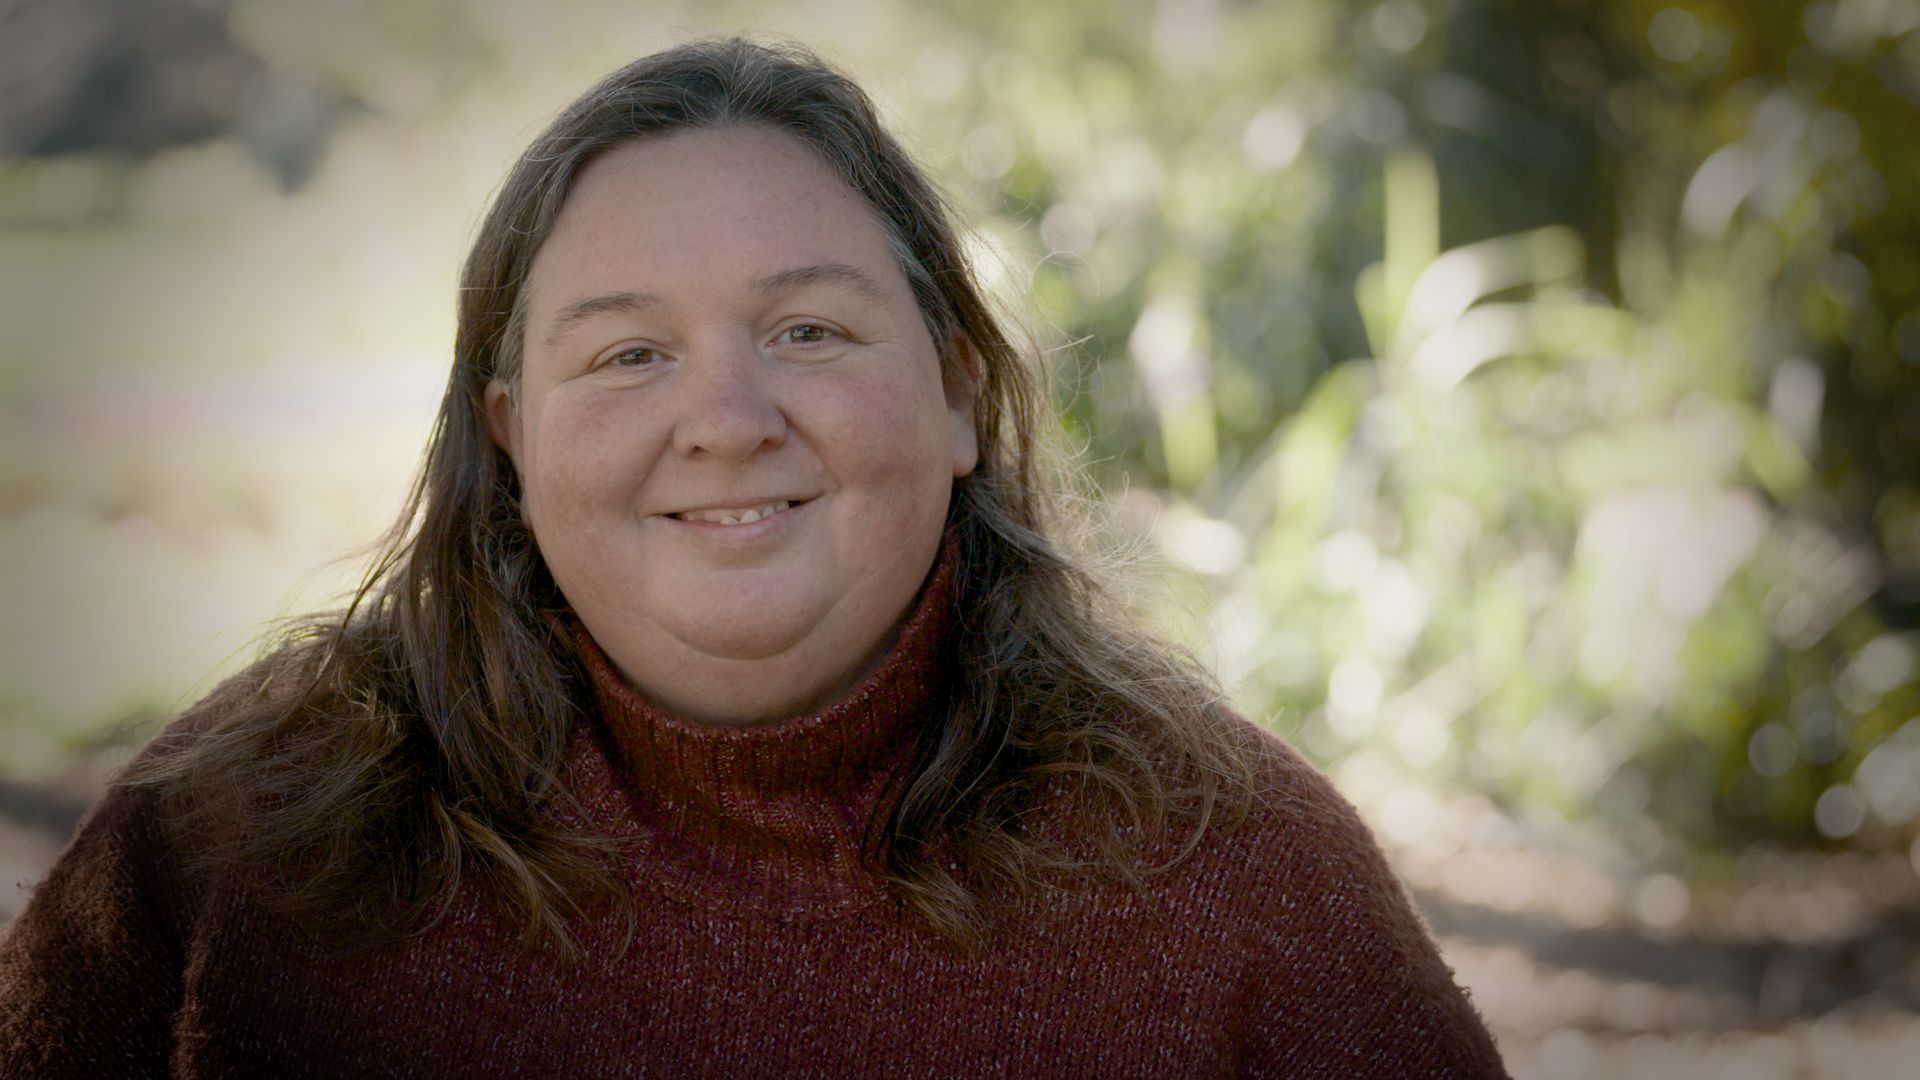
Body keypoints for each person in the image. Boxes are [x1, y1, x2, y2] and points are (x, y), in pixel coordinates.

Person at [0, 39, 1509, 1077]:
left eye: (807, 330)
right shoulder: (238, 838)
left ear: (960, 393)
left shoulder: (1235, 871)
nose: (724, 420)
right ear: (511, 442)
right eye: (630, 353)